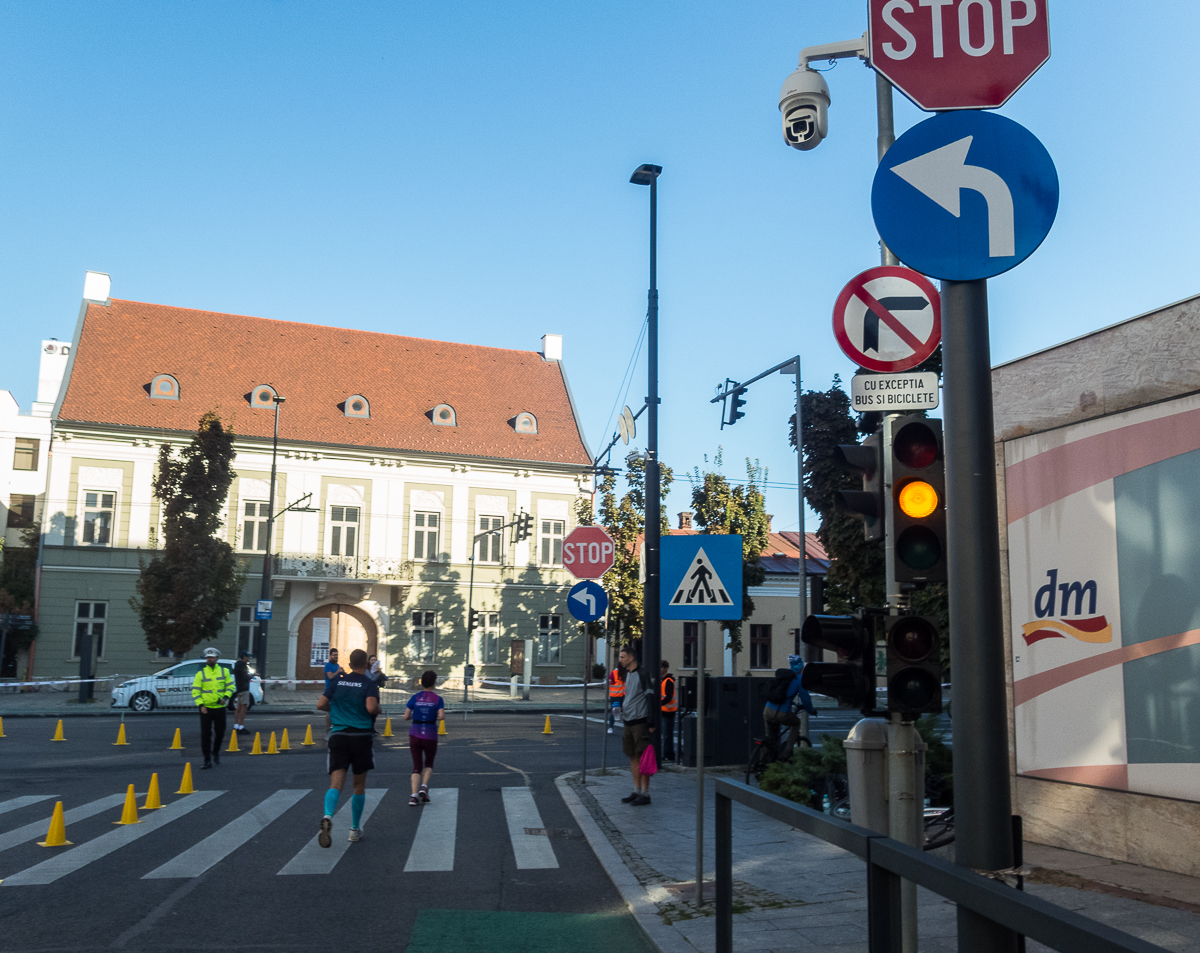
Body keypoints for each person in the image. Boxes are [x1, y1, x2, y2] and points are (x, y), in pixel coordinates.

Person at [316, 648, 380, 846]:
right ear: (367, 664)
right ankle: (354, 829)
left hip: (339, 735)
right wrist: (378, 709)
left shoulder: (337, 681)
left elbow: (321, 705)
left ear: (350, 664)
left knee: (336, 784)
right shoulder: (369, 684)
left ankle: (328, 815)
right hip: (361, 736)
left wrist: (334, 709)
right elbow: (370, 708)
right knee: (358, 786)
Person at [762, 655, 818, 761]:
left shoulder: (783, 676)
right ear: (801, 667)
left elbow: (782, 694)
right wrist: (811, 710)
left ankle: (763, 761)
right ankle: (788, 749)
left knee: (769, 738)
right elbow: (805, 699)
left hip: (767, 709)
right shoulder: (799, 680)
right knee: (796, 723)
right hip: (782, 713)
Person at [618, 646, 654, 806]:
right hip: (628, 721)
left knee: (643, 757)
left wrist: (651, 721)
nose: (620, 659)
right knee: (632, 756)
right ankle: (637, 790)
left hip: (640, 721)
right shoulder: (628, 674)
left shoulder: (642, 674)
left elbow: (650, 697)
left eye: (623, 657)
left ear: (631, 658)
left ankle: (645, 794)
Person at [404, 670, 445, 806]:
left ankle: (413, 796)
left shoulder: (415, 697)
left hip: (415, 733)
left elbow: (406, 716)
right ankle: (424, 786)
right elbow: (441, 716)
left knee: (416, 766)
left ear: (421, 682)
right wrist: (432, 716)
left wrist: (414, 717)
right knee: (428, 763)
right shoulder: (438, 699)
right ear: (434, 683)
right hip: (430, 734)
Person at [192, 647, 234, 769]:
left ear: (216, 658)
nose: (209, 659)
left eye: (211, 657)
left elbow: (230, 687)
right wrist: (201, 705)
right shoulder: (201, 674)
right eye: (208, 657)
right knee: (206, 734)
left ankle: (215, 751)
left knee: (220, 732)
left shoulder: (224, 671)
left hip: (219, 707)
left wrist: (225, 697)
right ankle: (207, 759)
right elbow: (196, 691)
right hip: (206, 708)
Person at [322, 647, 344, 735]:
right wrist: (338, 671)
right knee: (329, 710)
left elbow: (342, 675)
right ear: (330, 656)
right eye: (334, 655)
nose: (336, 657)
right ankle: (328, 728)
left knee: (337, 709)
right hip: (329, 691)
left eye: (337, 655)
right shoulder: (328, 665)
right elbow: (331, 676)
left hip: (337, 691)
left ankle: (336, 727)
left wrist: (343, 673)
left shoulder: (337, 665)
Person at [659, 660, 677, 762]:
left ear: (665, 668)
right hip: (664, 711)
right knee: (665, 734)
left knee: (667, 735)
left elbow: (668, 697)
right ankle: (667, 754)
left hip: (668, 712)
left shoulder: (668, 681)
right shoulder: (662, 680)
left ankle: (668, 755)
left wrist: (659, 704)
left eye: (661, 667)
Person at [232, 649, 253, 732]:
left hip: (239, 688)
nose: (248, 658)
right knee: (244, 708)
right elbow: (246, 677)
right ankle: (241, 726)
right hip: (244, 688)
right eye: (247, 656)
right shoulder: (243, 665)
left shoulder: (237, 665)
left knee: (238, 707)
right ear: (244, 657)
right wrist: (253, 675)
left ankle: (236, 725)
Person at [607, 664, 625, 734]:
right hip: (616, 696)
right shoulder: (614, 673)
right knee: (615, 711)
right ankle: (611, 727)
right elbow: (609, 682)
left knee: (618, 712)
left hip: (622, 696)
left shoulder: (624, 673)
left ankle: (613, 725)